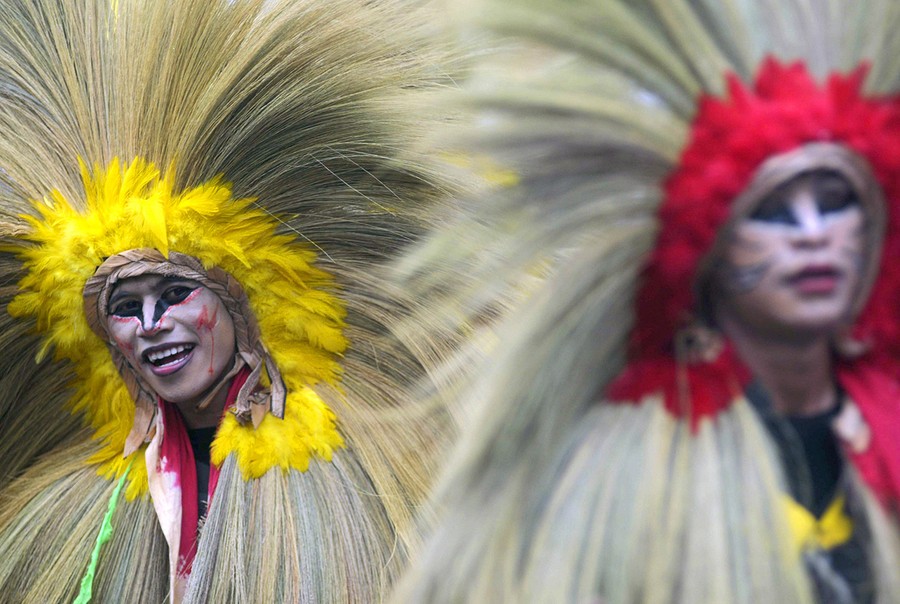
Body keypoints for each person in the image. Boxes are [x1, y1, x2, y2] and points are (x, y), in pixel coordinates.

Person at [395, 1, 900, 602]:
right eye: (773, 212)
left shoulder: (881, 421)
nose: (812, 233)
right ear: (706, 251)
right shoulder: (636, 466)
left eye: (835, 200)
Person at [0, 0, 456, 601]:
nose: (151, 325)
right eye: (125, 308)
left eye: (174, 294)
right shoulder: (70, 512)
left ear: (242, 307)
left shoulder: (355, 483)